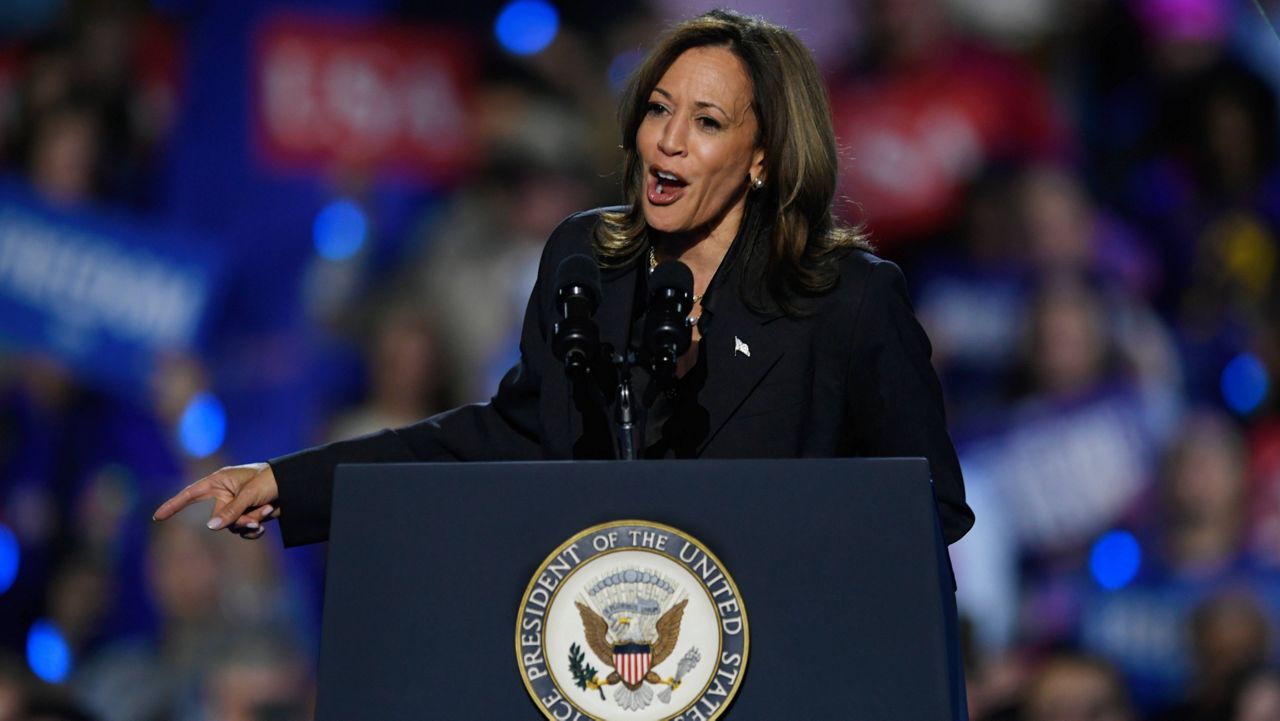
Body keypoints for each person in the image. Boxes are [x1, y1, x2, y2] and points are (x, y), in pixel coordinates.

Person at [153, 9, 974, 550]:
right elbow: (500, 436)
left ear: (766, 157)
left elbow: (929, 507)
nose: (668, 142)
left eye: (708, 121)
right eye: (658, 109)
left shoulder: (848, 298)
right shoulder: (589, 262)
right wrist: (286, 481)